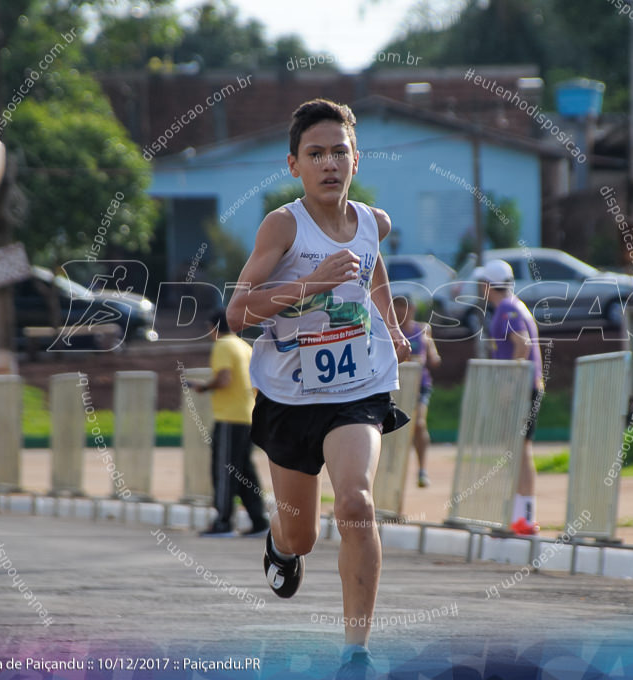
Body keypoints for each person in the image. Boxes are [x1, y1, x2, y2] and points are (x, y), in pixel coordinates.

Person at [226, 98, 410, 678]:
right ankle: (280, 543)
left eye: (339, 151)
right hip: (289, 396)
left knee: (355, 502)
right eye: (315, 154)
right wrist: (309, 284)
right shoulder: (283, 225)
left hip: (359, 386)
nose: (329, 163)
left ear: (356, 158)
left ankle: (356, 651)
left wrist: (394, 327)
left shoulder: (373, 222)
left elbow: (372, 264)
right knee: (302, 536)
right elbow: (237, 313)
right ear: (294, 164)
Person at [477, 258, 544, 536]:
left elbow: (522, 344)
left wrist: (510, 385)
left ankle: (523, 518)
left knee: (520, 451)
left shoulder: (506, 308)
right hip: (529, 386)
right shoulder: (516, 305)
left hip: (522, 388)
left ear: (489, 285)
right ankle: (521, 516)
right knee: (519, 450)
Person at [194, 308, 270, 538]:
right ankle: (259, 520)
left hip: (230, 417)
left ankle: (223, 522)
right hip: (248, 416)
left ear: (213, 327)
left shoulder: (223, 345)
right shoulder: (244, 347)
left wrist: (205, 386)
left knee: (225, 469)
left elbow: (225, 378)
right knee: (244, 471)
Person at [392, 294, 441, 487]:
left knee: (419, 424)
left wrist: (428, 355)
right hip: (396, 386)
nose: (400, 311)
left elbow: (434, 358)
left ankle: (422, 470)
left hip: (419, 386)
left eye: (404, 306)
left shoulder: (423, 330)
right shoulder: (389, 331)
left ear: (412, 309)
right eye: (396, 307)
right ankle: (393, 474)